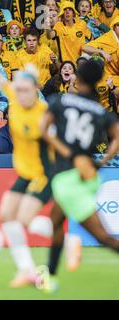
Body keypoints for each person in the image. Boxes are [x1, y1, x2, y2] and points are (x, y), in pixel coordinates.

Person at [0, 44, 55, 288]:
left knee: (21, 221)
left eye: (25, 89)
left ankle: (66, 241)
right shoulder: (16, 97)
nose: (20, 93)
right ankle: (27, 271)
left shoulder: (43, 114)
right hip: (25, 173)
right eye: (19, 89)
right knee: (6, 217)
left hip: (41, 174)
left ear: (35, 91)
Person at [40, 59, 119, 292]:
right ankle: (50, 274)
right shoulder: (100, 112)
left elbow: (43, 129)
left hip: (69, 177)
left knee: (103, 237)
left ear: (78, 78)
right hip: (86, 173)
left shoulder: (59, 101)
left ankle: (51, 272)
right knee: (55, 221)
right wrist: (103, 161)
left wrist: (66, 151)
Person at [83, 16, 119, 85]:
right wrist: (102, 52)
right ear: (113, 27)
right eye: (118, 25)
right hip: (107, 78)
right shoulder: (107, 38)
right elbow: (85, 47)